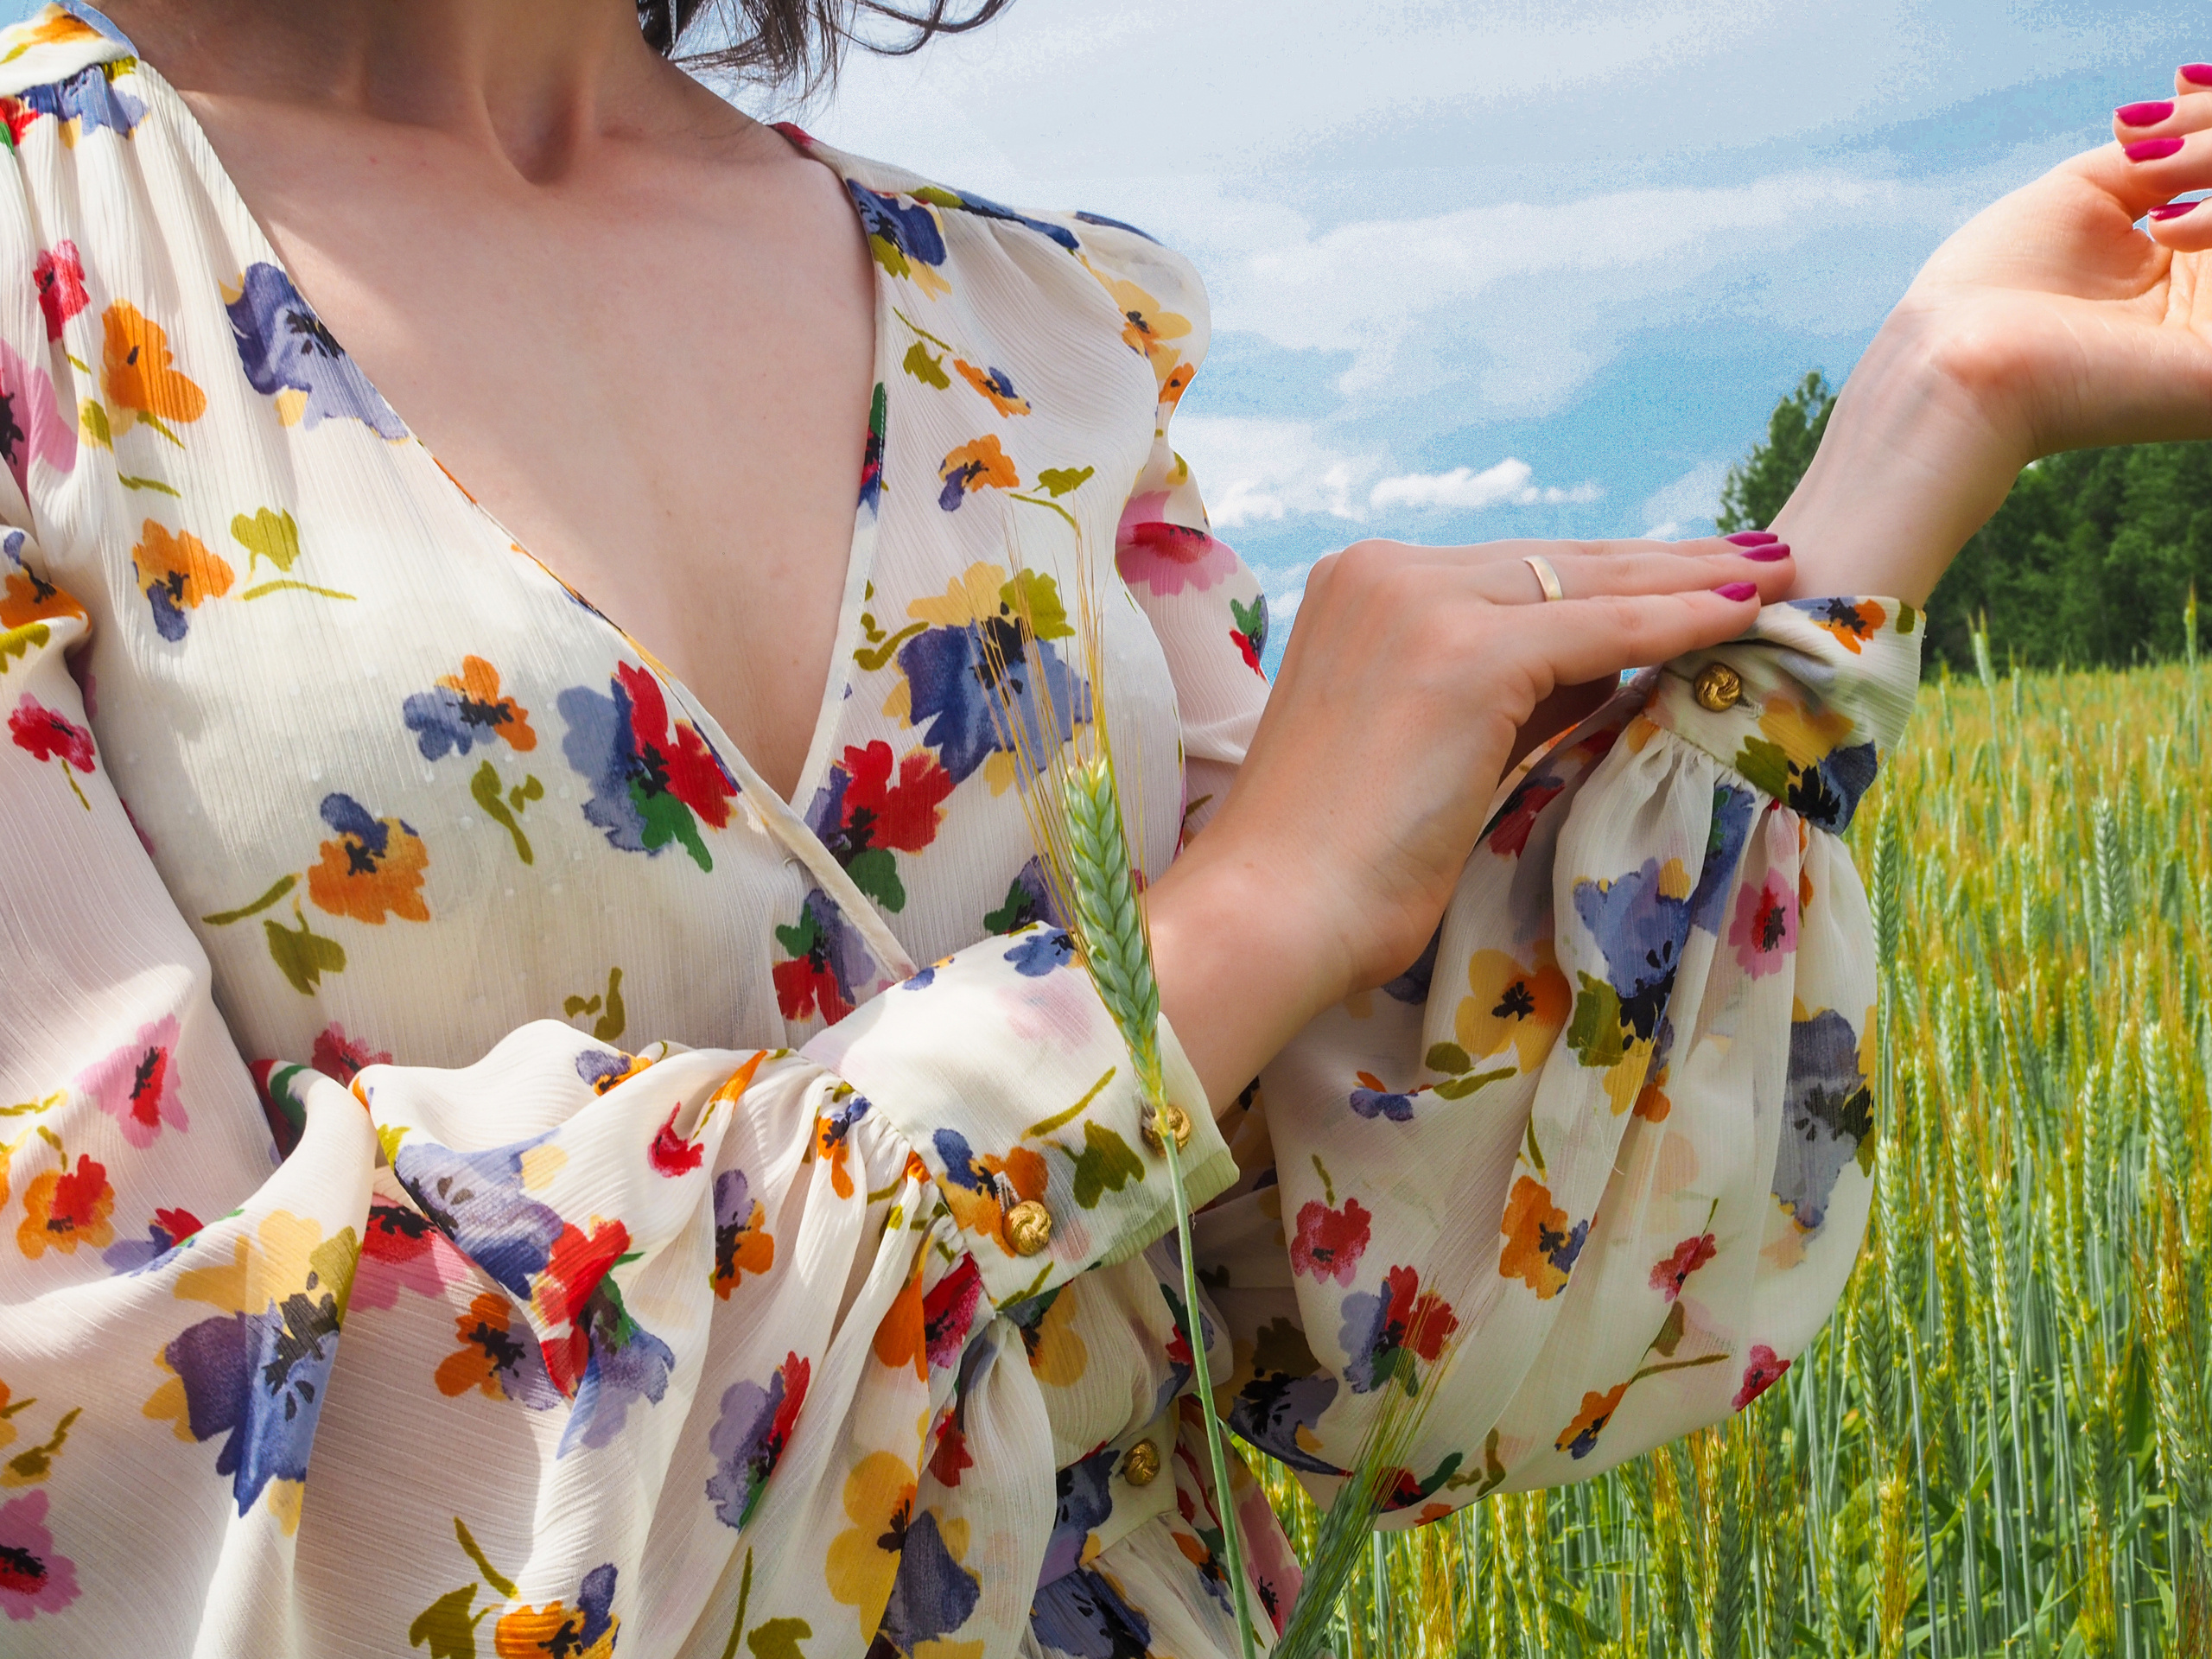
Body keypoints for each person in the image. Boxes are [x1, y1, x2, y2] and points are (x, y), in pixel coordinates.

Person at [0, 1, 2202, 1651]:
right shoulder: (44, 278)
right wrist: (1226, 931)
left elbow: (1384, 1316)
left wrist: (1929, 410)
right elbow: (98, 1437)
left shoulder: (1034, 331)